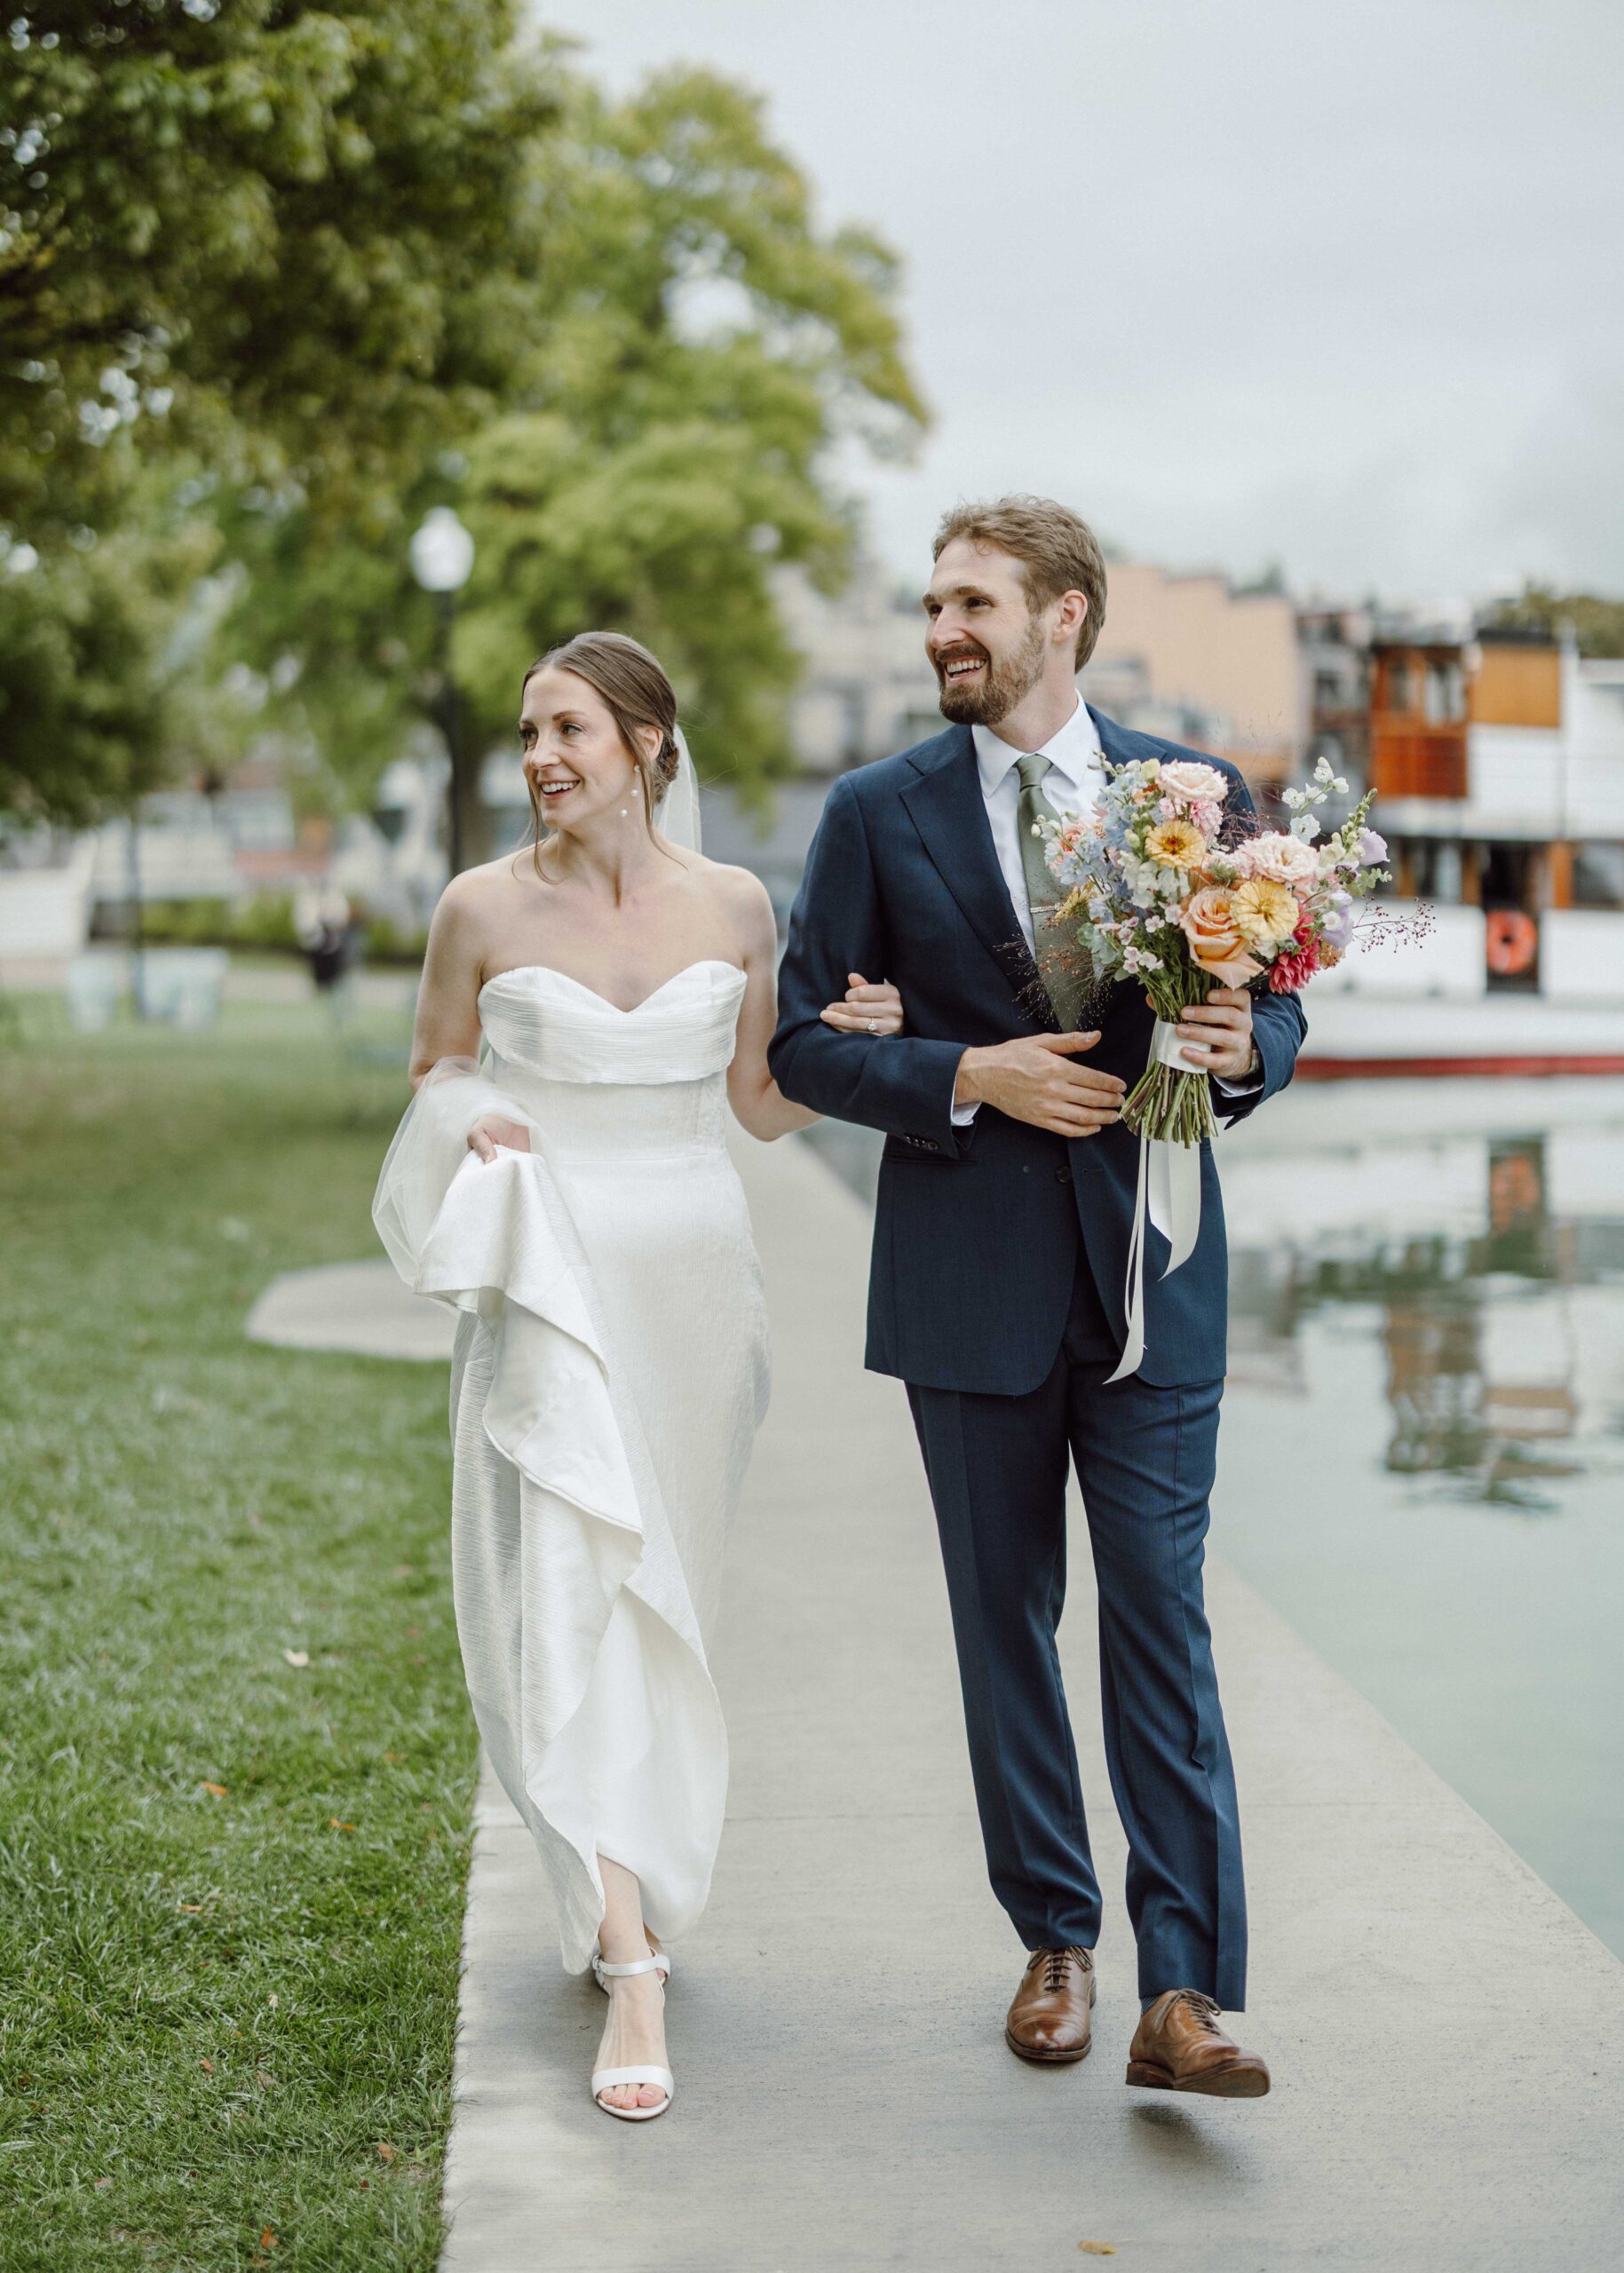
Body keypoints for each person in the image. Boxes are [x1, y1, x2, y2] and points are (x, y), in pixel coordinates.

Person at [770, 496, 1306, 2097]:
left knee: (1162, 1618)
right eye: (930, 605)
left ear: (1064, 616)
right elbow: (803, 1043)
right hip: (966, 1282)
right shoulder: (875, 810)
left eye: (973, 604)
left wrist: (1246, 1053)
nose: (942, 631)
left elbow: (1265, 1011)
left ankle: (1185, 1994)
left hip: (1153, 1273)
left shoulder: (1186, 799)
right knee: (1003, 1626)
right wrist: (968, 1073)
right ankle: (1055, 1945)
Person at [373, 631, 900, 2123]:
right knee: (563, 1590)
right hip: (550, 1287)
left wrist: (859, 1048)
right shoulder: (476, 905)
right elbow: (433, 1069)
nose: (543, 755)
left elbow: (755, 1101)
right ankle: (629, 1959)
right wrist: (472, 1113)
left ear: (649, 744)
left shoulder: (737, 904)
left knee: (657, 1600)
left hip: (690, 1295)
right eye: (531, 730)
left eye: (572, 730)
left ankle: (630, 1881)